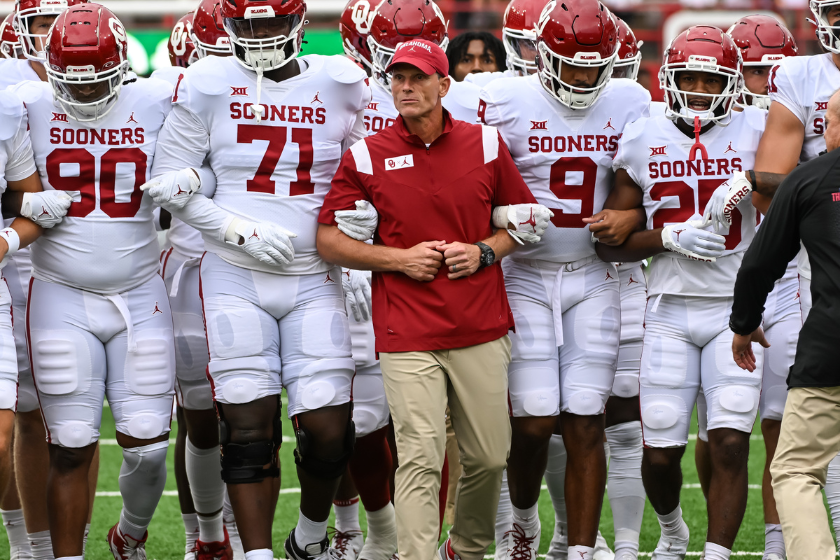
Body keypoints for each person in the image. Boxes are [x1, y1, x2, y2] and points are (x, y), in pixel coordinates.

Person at [145, 1, 369, 559]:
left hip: (315, 274)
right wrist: (235, 230)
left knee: (329, 429)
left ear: (297, 22)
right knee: (246, 429)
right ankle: (256, 554)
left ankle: (310, 538)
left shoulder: (342, 83)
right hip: (233, 273)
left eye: (268, 22)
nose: (258, 34)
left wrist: (363, 222)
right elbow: (167, 185)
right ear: (227, 27)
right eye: (246, 24)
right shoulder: (207, 82)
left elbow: (364, 169)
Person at [317, 38, 547, 560]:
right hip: (407, 329)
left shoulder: (485, 144)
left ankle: (464, 550)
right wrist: (398, 260)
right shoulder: (366, 154)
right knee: (419, 455)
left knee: (490, 457)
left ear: (445, 85)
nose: (405, 87)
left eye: (418, 78)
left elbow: (526, 221)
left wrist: (486, 251)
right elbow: (328, 239)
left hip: (481, 324)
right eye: (398, 78)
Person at [11, 4, 184, 560]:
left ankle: (129, 532)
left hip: (140, 288)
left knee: (150, 446)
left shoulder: (157, 98)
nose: (83, 96)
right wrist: (21, 202)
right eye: (72, 86)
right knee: (70, 445)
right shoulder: (25, 102)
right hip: (59, 291)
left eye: (96, 85)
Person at [478, 1, 650, 558]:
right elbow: (472, 185)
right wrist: (503, 217)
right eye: (570, 65)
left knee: (584, 417)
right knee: (531, 421)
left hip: (595, 275)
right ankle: (524, 521)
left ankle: (578, 547)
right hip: (524, 272)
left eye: (593, 67)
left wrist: (633, 215)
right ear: (540, 55)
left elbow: (651, 185)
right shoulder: (503, 97)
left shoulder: (630, 99)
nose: (581, 77)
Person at [594, 25, 765, 560]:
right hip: (668, 307)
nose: (696, 90)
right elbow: (610, 246)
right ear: (668, 78)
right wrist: (666, 237)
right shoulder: (645, 135)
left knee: (732, 441)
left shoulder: (757, 126)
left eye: (708, 80)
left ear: (731, 83)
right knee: (662, 450)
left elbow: (803, 188)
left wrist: (754, 178)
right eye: (687, 78)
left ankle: (715, 555)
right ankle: (672, 532)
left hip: (735, 310)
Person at [706, 0, 840, 541]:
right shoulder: (801, 75)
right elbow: (774, 193)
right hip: (814, 254)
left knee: (806, 433)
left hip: (816, 244)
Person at [694, 15, 798, 560]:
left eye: (772, 70)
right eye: (752, 70)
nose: (762, 82)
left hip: (785, 281)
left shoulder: (794, 113)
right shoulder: (700, 119)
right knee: (719, 429)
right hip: (714, 283)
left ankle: (777, 543)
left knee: (782, 421)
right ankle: (713, 531)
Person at [0, 2, 100, 559]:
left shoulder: (112, 75)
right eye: (40, 22)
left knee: (77, 406)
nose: (49, 34)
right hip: (16, 252)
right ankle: (27, 545)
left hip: (85, 246)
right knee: (26, 410)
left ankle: (71, 544)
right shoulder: (6, 84)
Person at [729, 84, 840, 560]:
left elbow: (760, 264)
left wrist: (744, 322)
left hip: (830, 348)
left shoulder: (809, 179)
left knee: (795, 470)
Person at [150, 3, 242, 559]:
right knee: (201, 414)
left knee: (253, 411)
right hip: (189, 265)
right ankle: (203, 537)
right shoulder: (170, 92)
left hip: (255, 262)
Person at [0, 89, 61, 560]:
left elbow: (36, 209)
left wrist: (4, 241)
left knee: (4, 437)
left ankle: (26, 547)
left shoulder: (6, 113)